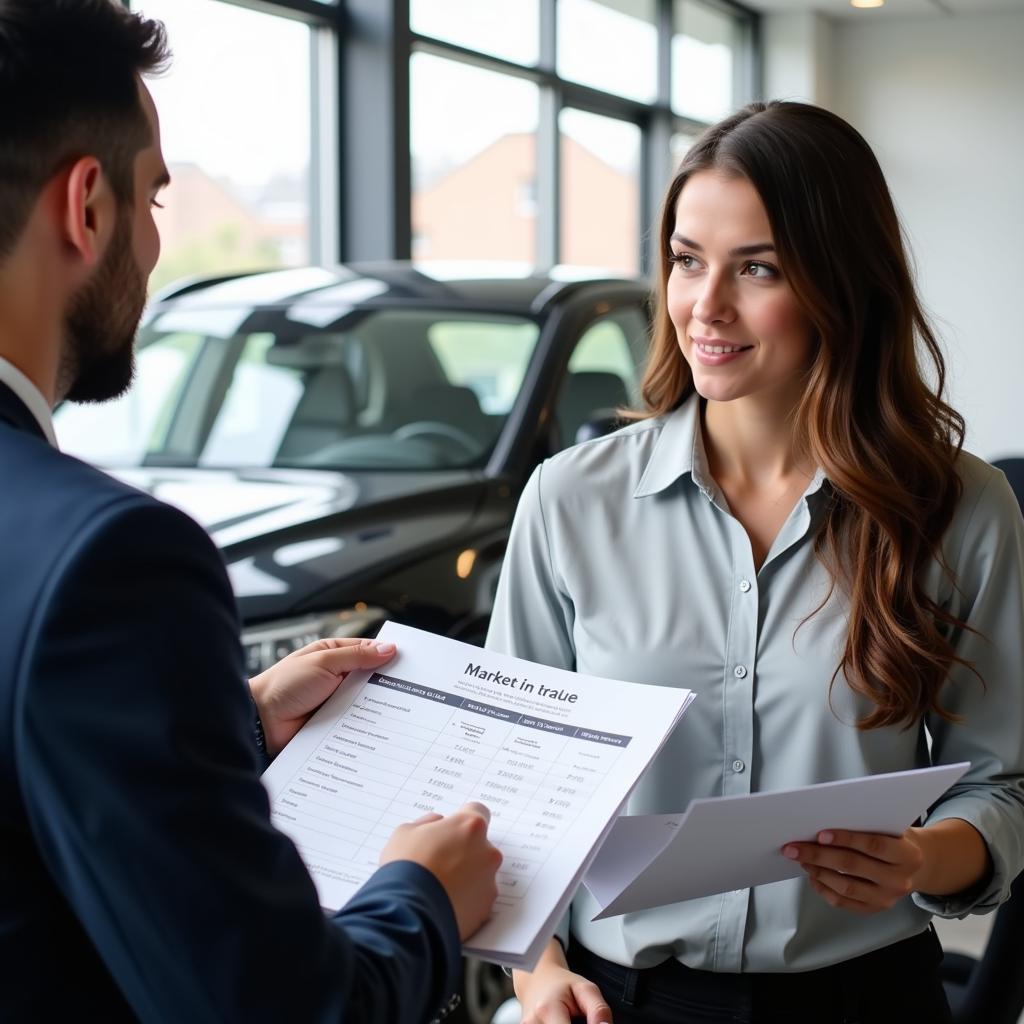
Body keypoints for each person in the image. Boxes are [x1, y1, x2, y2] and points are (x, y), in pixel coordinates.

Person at [0, 2, 501, 1021]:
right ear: (85, 205)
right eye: (153, 200)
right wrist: (424, 893)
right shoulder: (111, 556)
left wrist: (228, 718)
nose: (150, 244)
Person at [488, 100, 1024, 1024]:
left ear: (841, 284)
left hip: (869, 999)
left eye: (759, 268)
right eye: (688, 260)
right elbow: (510, 786)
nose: (706, 306)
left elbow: (1003, 780)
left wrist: (924, 857)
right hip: (626, 1000)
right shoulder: (569, 501)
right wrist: (536, 978)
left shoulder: (959, 508)